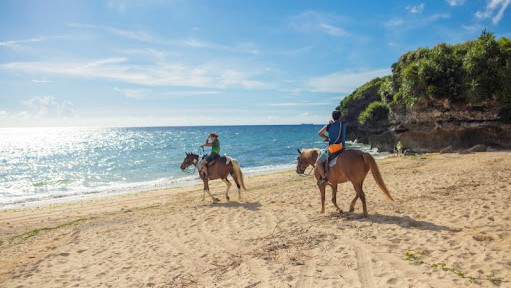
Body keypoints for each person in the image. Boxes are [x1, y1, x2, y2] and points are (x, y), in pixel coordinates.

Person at [316, 110, 346, 186]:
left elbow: (319, 133)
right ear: (340, 117)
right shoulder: (343, 124)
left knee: (318, 162)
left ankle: (323, 178)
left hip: (332, 149)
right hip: (342, 147)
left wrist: (327, 137)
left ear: (332, 117)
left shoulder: (329, 126)